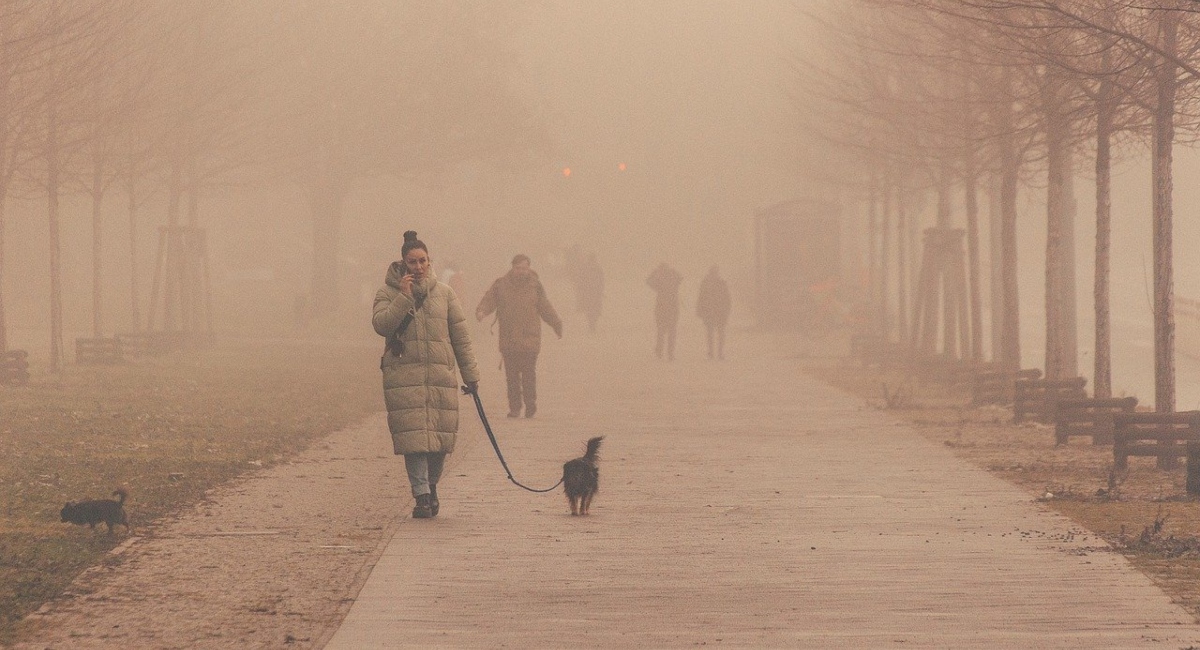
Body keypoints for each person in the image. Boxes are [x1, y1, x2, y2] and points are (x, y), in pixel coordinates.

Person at [373, 231, 480, 519]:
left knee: (440, 441)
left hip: (439, 376)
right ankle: (421, 495)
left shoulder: (445, 294)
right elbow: (381, 325)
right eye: (412, 262)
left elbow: (461, 337)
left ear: (429, 261)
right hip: (404, 377)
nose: (418, 267)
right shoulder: (387, 293)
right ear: (403, 264)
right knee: (415, 441)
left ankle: (432, 485)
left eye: (422, 261)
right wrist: (403, 298)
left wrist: (471, 374)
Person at [476, 254, 563, 418]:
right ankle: (515, 407)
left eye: (524, 268)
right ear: (512, 267)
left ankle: (530, 404)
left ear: (529, 268)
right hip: (508, 339)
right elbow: (489, 300)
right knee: (512, 376)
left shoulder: (535, 286)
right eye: (518, 268)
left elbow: (545, 307)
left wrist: (556, 324)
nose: (521, 271)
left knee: (529, 374)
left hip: (530, 338)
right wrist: (481, 311)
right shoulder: (501, 285)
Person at [646, 262, 683, 360]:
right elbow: (680, 278)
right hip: (671, 308)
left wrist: (656, 272)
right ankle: (669, 353)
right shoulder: (673, 281)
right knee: (670, 331)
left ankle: (660, 351)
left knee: (661, 331)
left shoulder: (660, 283)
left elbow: (648, 281)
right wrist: (671, 271)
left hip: (662, 308)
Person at [696, 265, 732, 360]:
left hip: (717, 311)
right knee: (714, 332)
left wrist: (699, 310)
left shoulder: (713, 283)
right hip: (713, 311)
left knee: (715, 332)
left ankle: (717, 352)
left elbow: (727, 298)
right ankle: (714, 352)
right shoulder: (719, 283)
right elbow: (701, 298)